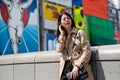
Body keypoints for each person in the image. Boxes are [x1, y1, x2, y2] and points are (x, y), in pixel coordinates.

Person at [56, 12, 94, 80]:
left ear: (71, 20)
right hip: (66, 72)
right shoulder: (62, 36)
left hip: (80, 71)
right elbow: (59, 50)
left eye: (68, 18)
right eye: (64, 19)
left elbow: (87, 51)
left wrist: (77, 66)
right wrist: (62, 34)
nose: (67, 20)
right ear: (60, 23)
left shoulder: (80, 33)